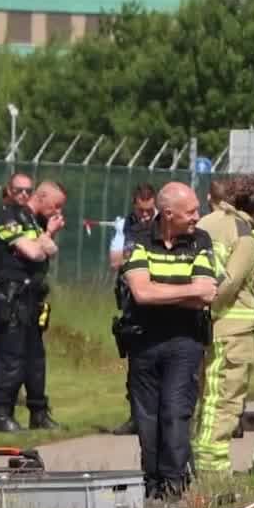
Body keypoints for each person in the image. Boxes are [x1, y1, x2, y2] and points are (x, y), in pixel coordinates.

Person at [116, 181, 217, 504]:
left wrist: (160, 290)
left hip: (185, 342)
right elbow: (140, 293)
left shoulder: (200, 240)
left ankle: (174, 486)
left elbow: (206, 293)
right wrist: (182, 291)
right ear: (168, 213)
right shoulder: (140, 239)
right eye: (191, 211)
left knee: (175, 413)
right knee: (146, 418)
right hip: (144, 341)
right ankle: (152, 484)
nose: (197, 217)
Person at [0, 179, 68, 432]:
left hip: (31, 297)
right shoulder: (7, 218)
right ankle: (0, 414)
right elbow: (35, 253)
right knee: (9, 357)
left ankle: (38, 412)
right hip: (10, 296)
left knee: (35, 358)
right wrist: (45, 239)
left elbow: (50, 250)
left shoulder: (32, 221)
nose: (58, 212)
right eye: (56, 206)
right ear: (43, 197)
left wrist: (46, 238)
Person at [191, 177, 254, 476]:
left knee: (200, 396)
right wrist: (208, 308)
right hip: (230, 328)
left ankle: (189, 462)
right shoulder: (246, 236)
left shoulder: (205, 222)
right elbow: (229, 283)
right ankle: (213, 468)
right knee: (224, 400)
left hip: (196, 326)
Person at [106, 184, 158, 436]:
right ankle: (137, 417)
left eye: (150, 210)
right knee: (136, 363)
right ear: (134, 205)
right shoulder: (124, 226)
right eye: (141, 210)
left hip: (158, 301)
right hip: (131, 303)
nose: (146, 216)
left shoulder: (165, 223)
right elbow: (115, 261)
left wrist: (132, 254)